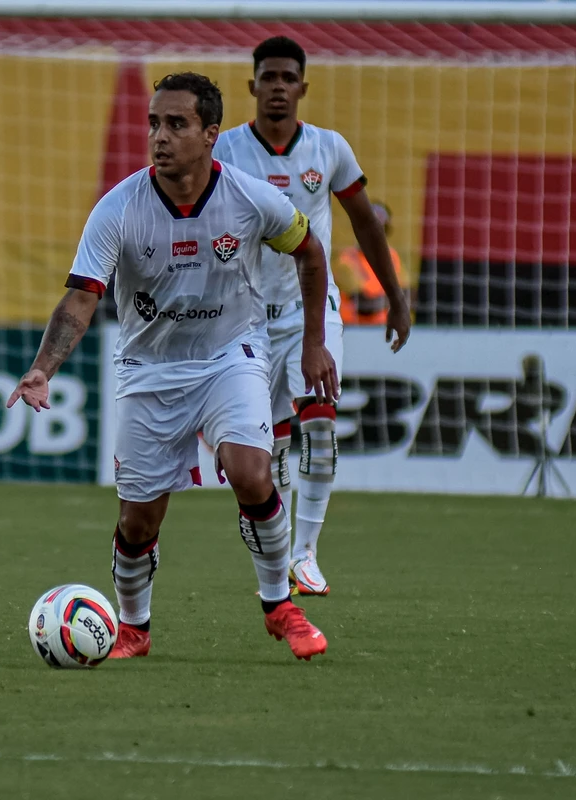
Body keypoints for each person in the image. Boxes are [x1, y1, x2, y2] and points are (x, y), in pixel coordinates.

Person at [9, 72, 338, 661]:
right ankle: (133, 629)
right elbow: (81, 299)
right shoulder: (119, 207)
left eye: (177, 124)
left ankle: (280, 606)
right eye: (154, 123)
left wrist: (315, 341)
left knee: (251, 472)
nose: (160, 136)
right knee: (138, 520)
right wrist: (42, 369)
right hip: (148, 368)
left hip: (230, 354)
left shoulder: (249, 198)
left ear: (211, 134)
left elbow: (310, 250)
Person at [213, 37, 410, 597]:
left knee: (319, 419)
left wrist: (395, 296)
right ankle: (277, 554)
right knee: (268, 446)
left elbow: (366, 223)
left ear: (303, 87)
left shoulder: (329, 149)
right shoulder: (225, 151)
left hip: (311, 308)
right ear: (252, 86)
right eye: (268, 77)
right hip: (247, 317)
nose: (277, 87)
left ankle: (307, 553)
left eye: (287, 78)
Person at [334, 200, 406, 326]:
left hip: (385, 330)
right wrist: (396, 300)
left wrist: (396, 299)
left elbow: (410, 293)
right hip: (354, 330)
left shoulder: (393, 256)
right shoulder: (346, 260)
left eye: (381, 229)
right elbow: (364, 306)